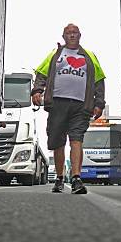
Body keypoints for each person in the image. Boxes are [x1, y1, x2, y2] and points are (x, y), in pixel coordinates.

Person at [31, 24, 106, 194]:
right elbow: (41, 74)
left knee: (76, 139)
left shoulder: (90, 56)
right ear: (64, 36)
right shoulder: (55, 54)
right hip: (57, 103)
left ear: (80, 35)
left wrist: (99, 103)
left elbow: (99, 81)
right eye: (68, 33)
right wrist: (37, 91)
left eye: (74, 33)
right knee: (58, 141)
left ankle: (76, 179)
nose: (72, 35)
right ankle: (59, 178)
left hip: (81, 105)